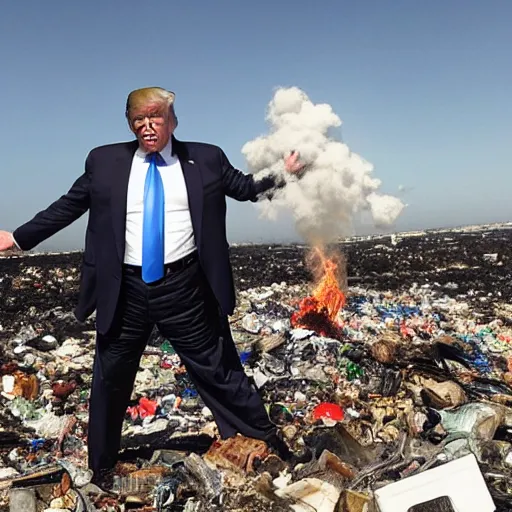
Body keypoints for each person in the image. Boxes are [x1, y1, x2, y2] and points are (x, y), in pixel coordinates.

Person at [0, 87, 304, 487]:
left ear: (172, 120)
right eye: (138, 119)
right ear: (130, 123)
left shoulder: (207, 157)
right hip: (123, 287)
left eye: (155, 118)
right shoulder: (104, 160)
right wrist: (19, 238)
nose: (147, 126)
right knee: (110, 379)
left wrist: (283, 172)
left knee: (219, 369)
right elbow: (68, 205)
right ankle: (101, 468)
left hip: (186, 287)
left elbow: (245, 188)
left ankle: (266, 444)